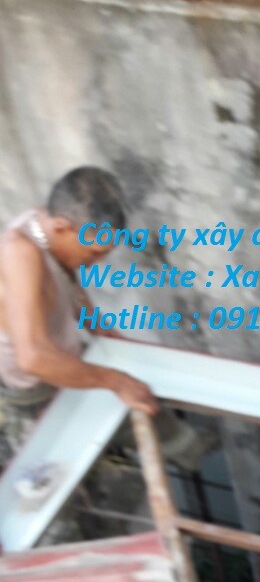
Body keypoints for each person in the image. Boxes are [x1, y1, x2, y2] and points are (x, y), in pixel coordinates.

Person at [0, 166, 158, 452]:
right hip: (35, 388)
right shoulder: (20, 255)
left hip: (64, 358)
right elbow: (33, 359)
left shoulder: (44, 223)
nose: (96, 262)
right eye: (94, 252)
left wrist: (97, 326)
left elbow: (65, 274)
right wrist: (116, 381)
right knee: (71, 458)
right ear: (62, 227)